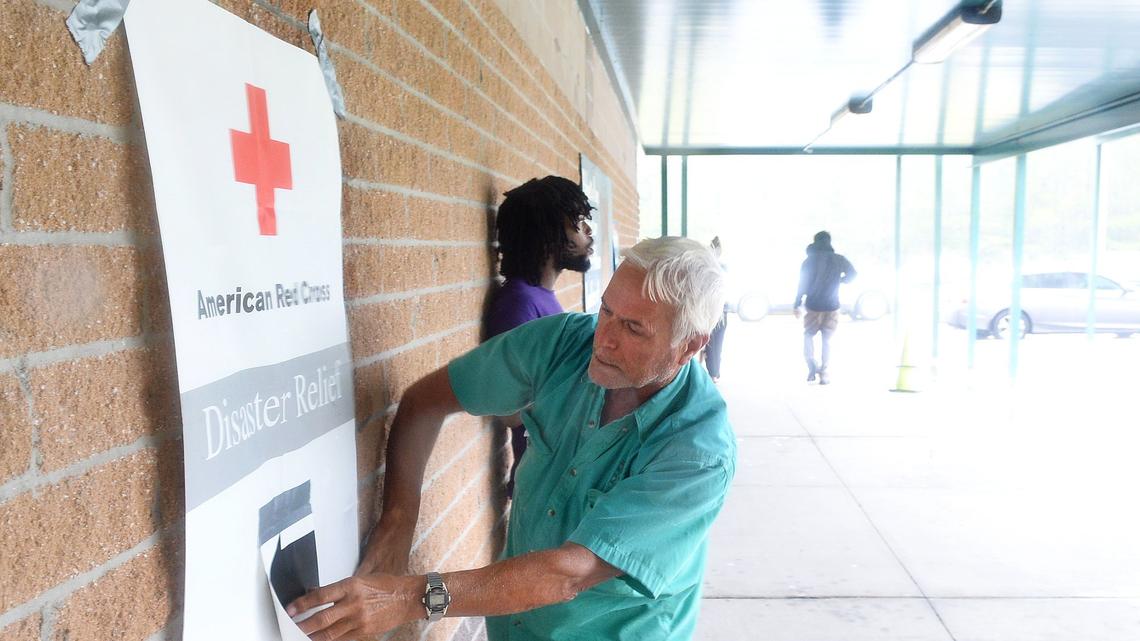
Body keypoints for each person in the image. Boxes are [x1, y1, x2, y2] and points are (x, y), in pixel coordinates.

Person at [287, 237, 736, 641]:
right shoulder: (563, 346)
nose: (605, 340)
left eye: (634, 328)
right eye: (607, 311)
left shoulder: (698, 452)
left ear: (691, 345)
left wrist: (410, 599)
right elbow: (424, 402)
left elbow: (569, 574)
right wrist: (398, 522)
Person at [484, 176, 595, 498]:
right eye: (578, 223)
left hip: (562, 482)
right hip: (544, 490)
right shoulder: (518, 304)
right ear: (548, 235)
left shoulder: (540, 297)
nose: (588, 232)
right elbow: (507, 410)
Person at [793, 230, 856, 385]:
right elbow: (853, 274)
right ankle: (825, 372)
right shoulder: (839, 259)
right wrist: (840, 280)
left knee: (808, 335)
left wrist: (797, 302)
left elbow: (802, 284)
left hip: (813, 305)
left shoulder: (809, 261)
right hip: (832, 306)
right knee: (827, 339)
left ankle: (811, 364)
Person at [702, 237, 727, 382]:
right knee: (717, 344)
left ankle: (713, 372)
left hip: (709, 311)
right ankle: (715, 373)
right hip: (721, 311)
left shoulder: (705, 268)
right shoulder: (723, 269)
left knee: (711, 344)